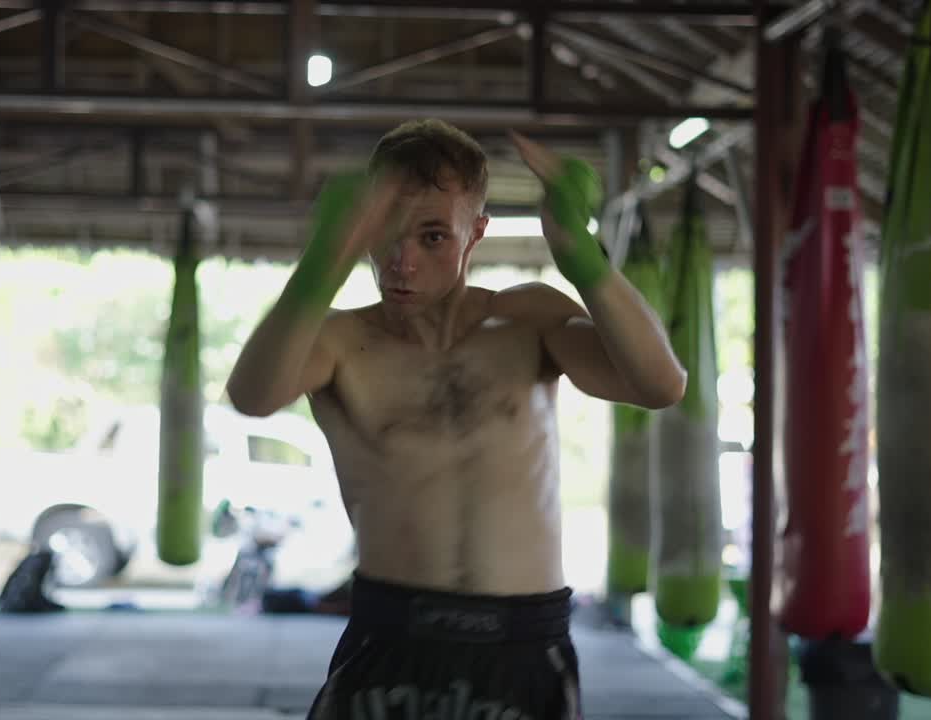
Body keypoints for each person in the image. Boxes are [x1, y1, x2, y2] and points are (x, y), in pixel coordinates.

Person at [226, 119, 685, 719]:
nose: (402, 261)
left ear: (477, 234)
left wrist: (584, 257)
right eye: (385, 234)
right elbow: (253, 395)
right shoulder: (337, 341)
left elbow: (660, 384)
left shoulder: (530, 319)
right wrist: (324, 256)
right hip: (389, 637)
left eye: (433, 237)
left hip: (523, 643)